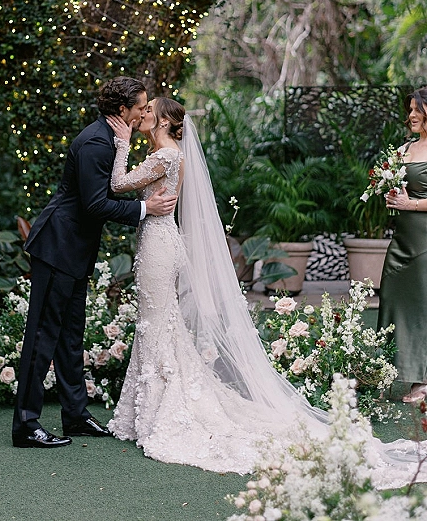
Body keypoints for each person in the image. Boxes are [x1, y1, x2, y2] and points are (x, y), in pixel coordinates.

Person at [104, 96, 427, 485]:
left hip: (158, 243)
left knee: (155, 322)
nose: (141, 114)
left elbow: (118, 184)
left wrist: (121, 143)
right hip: (162, 239)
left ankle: (159, 406)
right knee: (160, 322)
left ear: (162, 120)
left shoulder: (165, 156)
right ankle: (151, 403)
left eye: (148, 109)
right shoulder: (171, 154)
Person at [12, 77, 178, 448]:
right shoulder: (94, 143)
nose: (142, 112)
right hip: (57, 248)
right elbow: (94, 205)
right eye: (139, 106)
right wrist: (144, 208)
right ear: (123, 109)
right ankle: (25, 425)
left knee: (70, 337)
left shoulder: (111, 140)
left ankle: (75, 415)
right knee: (42, 337)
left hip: (74, 251)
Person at [378, 86, 427, 403]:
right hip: (402, 238)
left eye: (417, 109)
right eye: (410, 109)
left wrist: (412, 205)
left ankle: (421, 380)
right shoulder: (404, 148)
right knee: (391, 293)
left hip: (425, 239)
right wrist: (392, 196)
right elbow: (396, 189)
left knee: (422, 304)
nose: (411, 115)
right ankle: (383, 369)